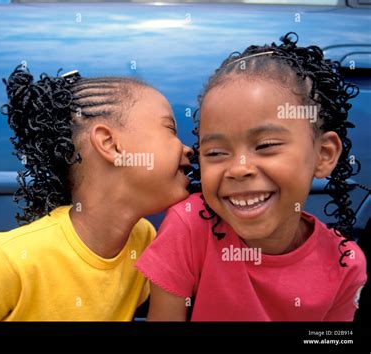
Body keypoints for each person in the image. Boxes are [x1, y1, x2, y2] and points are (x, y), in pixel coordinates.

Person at [136, 33, 368, 321]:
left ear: (324, 154)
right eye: (216, 153)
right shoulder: (189, 227)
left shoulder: (346, 264)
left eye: (266, 146)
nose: (239, 168)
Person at [0, 65, 192, 321]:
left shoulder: (142, 240)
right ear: (110, 144)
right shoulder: (11, 260)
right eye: (170, 130)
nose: (188, 149)